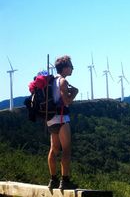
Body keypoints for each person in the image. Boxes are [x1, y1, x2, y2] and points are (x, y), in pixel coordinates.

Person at [47, 55, 79, 190]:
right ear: (65, 68)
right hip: (61, 118)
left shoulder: (51, 80)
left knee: (53, 150)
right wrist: (75, 93)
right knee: (66, 149)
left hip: (50, 120)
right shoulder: (63, 81)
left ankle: (53, 180)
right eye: (71, 66)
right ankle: (64, 181)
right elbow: (66, 101)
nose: (72, 68)